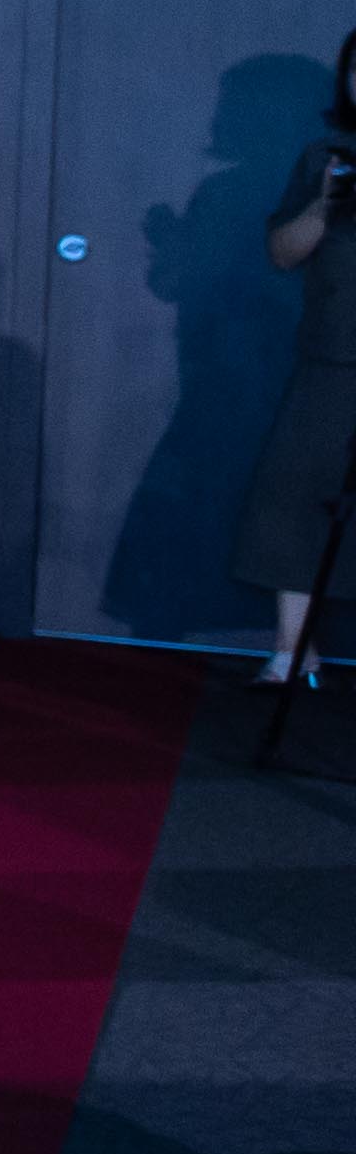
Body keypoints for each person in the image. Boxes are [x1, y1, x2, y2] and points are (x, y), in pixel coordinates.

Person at [231, 34, 356, 701]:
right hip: (332, 356)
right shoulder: (325, 157)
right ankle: (292, 649)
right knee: (293, 497)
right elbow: (283, 252)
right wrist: (325, 203)